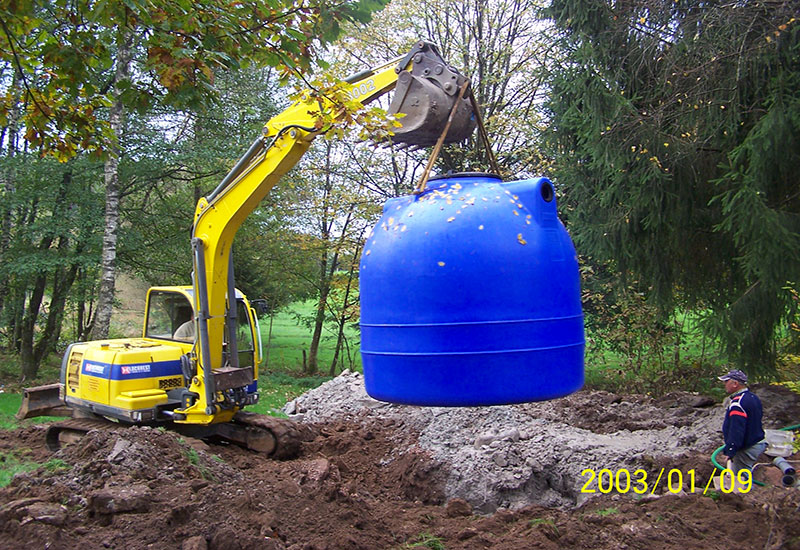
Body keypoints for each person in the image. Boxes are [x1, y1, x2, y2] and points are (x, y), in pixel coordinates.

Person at [719, 369, 766, 475]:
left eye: (726, 381)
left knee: (741, 481)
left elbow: (737, 429)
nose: (724, 384)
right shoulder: (753, 397)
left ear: (735, 383)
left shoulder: (738, 403)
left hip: (747, 448)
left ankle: (747, 490)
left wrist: (731, 450)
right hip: (757, 443)